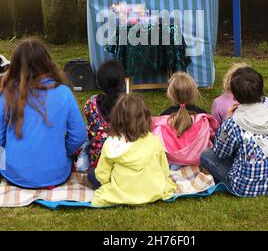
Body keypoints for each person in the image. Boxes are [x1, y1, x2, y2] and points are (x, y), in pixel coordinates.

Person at [0, 39, 87, 189]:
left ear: (15, 65)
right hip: (56, 173)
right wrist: (63, 152)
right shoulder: (64, 93)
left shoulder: (8, 93)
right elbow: (79, 135)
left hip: (14, 172)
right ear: (47, 62)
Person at [201, 67, 268, 197]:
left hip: (243, 187)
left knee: (206, 155)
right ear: (261, 91)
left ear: (235, 96)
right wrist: (266, 100)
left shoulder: (232, 123)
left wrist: (227, 119)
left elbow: (220, 153)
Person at [88, 94, 176, 207]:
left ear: (116, 119)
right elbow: (164, 170)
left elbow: (102, 176)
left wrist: (109, 182)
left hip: (120, 192)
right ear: (145, 118)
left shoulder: (111, 143)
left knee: (92, 173)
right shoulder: (155, 141)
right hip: (153, 190)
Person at [152, 72, 218, 166]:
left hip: (171, 163)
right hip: (199, 162)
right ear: (194, 93)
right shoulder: (203, 117)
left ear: (170, 94)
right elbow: (212, 137)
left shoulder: (164, 118)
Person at [83, 60, 126, 169]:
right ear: (122, 82)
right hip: (125, 162)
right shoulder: (130, 106)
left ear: (99, 83)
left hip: (98, 162)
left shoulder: (90, 103)